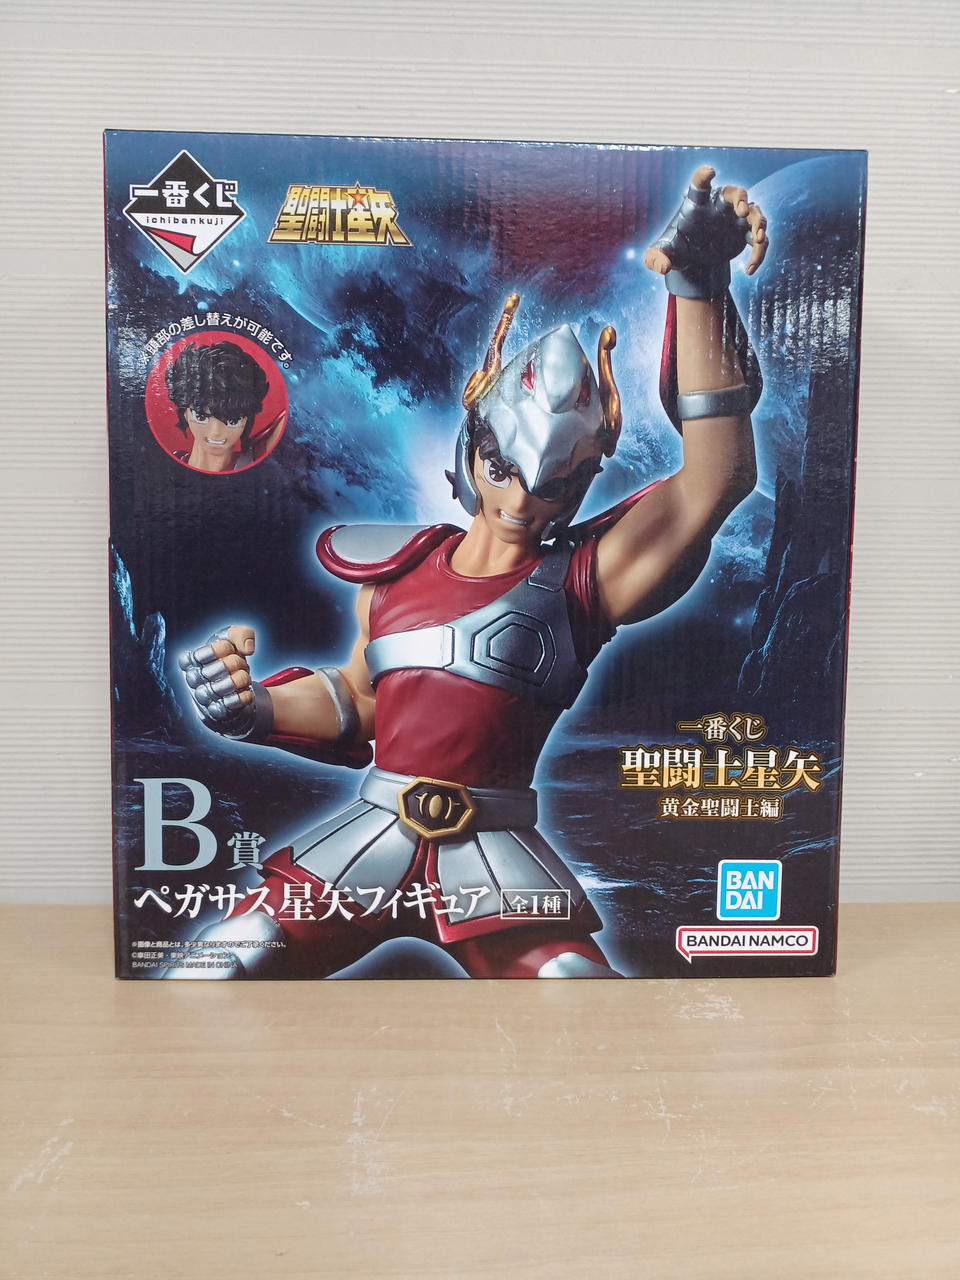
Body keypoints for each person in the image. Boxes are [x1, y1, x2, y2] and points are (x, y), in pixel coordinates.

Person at [173, 167, 768, 979]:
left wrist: (699, 287)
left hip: (494, 863)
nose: (522, 500)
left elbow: (716, 477)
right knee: (213, 964)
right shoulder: (394, 571)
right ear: (474, 447)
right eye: (504, 468)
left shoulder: (585, 580)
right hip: (363, 846)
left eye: (555, 484)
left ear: (584, 481)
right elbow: (362, 705)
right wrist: (252, 707)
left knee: (575, 994)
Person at [165, 340, 274, 473]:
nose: (216, 432)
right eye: (201, 417)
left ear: (246, 420)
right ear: (185, 413)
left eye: (232, 421)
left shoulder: (254, 458)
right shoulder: (170, 464)